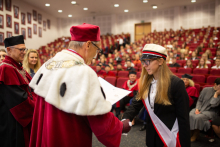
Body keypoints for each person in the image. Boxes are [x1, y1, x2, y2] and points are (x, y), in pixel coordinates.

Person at [29, 23, 131, 147]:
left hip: (46, 132)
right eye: (97, 50)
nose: (96, 56)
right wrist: (121, 126)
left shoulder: (48, 64)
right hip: (68, 135)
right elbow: (98, 117)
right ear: (88, 44)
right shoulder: (83, 71)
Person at [122, 44, 190, 147]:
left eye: (147, 61)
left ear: (160, 61)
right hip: (151, 134)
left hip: (169, 134)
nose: (144, 65)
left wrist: (185, 143)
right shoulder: (145, 82)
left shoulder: (176, 84)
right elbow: (136, 103)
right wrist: (125, 118)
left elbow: (183, 118)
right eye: (143, 62)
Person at [0, 35, 35, 147]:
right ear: (9, 50)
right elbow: (19, 100)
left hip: (21, 118)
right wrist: (38, 107)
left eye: (25, 49)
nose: (24, 52)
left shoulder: (19, 68)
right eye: (21, 49)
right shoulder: (6, 68)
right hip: (13, 119)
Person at [189, 78, 220, 142]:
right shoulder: (206, 89)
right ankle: (190, 132)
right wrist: (197, 109)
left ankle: (196, 134)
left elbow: (213, 105)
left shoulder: (218, 93)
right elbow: (199, 100)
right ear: (215, 84)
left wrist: (216, 94)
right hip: (200, 108)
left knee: (198, 117)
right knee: (190, 114)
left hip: (211, 111)